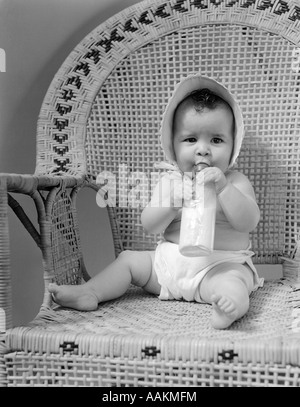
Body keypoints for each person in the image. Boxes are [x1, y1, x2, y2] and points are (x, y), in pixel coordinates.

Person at [49, 75, 264, 329]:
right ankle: (91, 292)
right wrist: (171, 203)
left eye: (216, 140)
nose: (203, 150)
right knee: (129, 260)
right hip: (169, 266)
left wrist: (224, 189)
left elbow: (248, 221)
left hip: (219, 266)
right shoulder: (170, 182)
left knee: (233, 283)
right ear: (172, 146)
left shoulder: (235, 181)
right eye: (191, 139)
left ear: (233, 146)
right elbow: (149, 224)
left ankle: (228, 307)